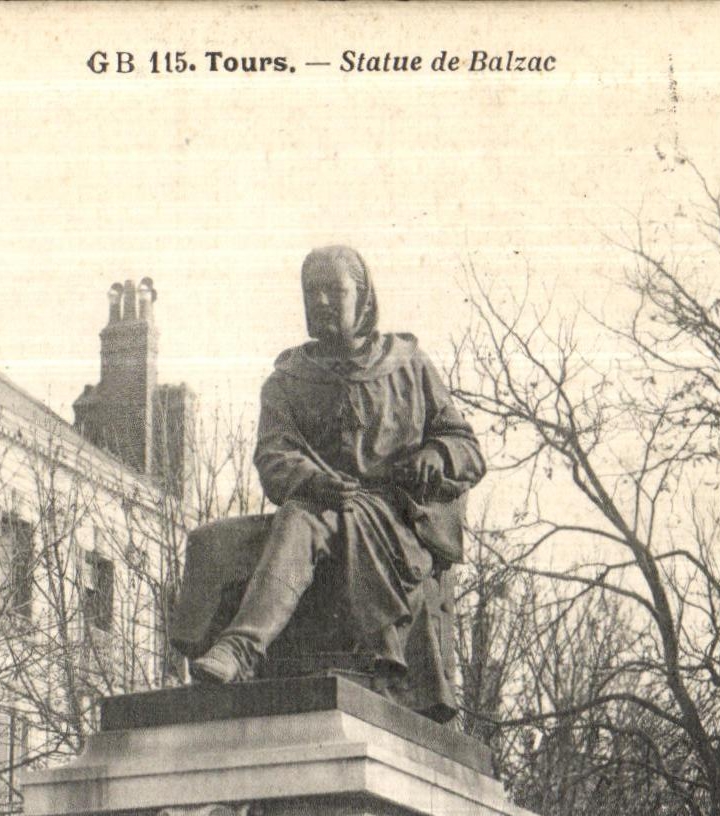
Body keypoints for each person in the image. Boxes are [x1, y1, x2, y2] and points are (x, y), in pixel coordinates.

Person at [171, 246, 485, 720]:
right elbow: (273, 454)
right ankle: (235, 650)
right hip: (320, 503)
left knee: (305, 517)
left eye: (332, 290)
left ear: (363, 298)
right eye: (309, 292)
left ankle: (242, 649)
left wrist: (433, 455)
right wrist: (312, 479)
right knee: (220, 540)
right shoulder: (288, 380)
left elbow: (467, 448)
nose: (319, 301)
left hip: (396, 520)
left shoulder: (409, 365)